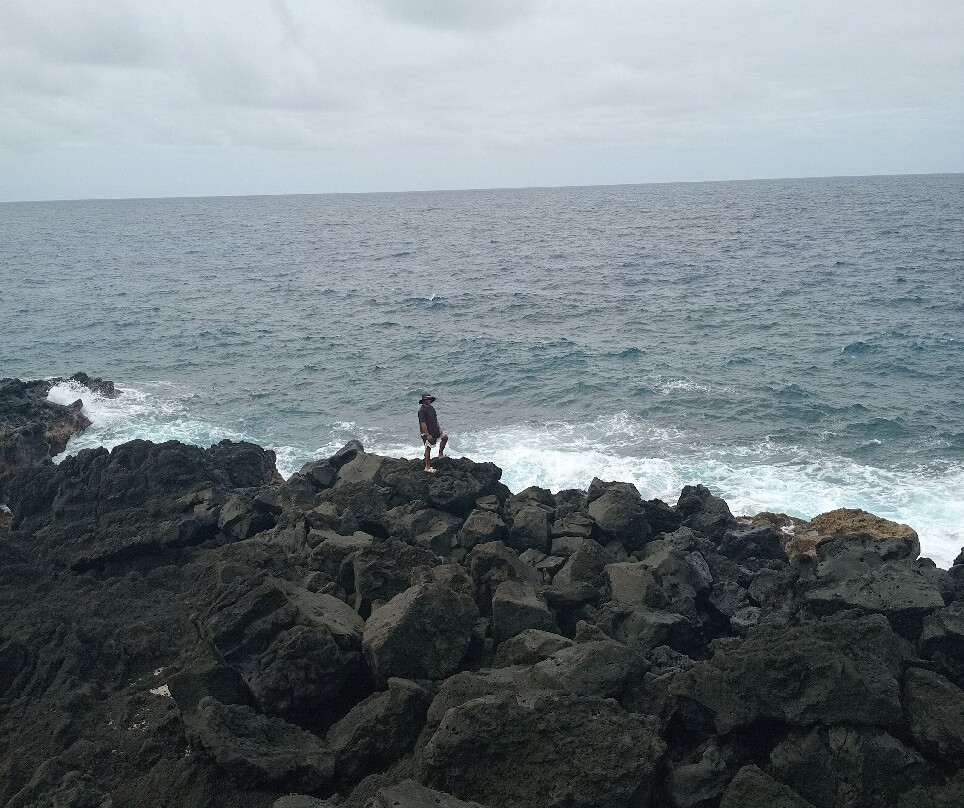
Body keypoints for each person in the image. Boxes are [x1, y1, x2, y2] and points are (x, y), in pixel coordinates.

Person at [418, 393, 448, 472]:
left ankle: (440, 454)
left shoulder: (431, 408)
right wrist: (427, 434)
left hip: (435, 430)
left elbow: (435, 418)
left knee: (445, 438)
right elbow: (423, 423)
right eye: (427, 399)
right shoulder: (422, 411)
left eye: (429, 399)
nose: (429, 400)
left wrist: (439, 427)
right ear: (424, 401)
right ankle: (427, 467)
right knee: (428, 448)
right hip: (427, 433)